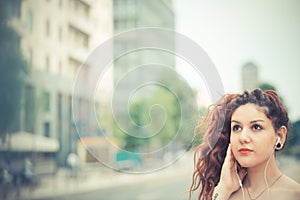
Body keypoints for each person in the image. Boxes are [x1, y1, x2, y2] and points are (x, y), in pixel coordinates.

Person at [189, 89, 300, 200]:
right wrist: (223, 189)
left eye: (256, 127)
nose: (243, 137)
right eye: (237, 128)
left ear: (280, 136)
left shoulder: (295, 195)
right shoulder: (225, 193)